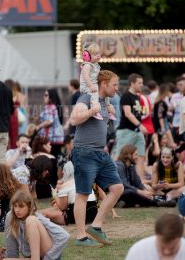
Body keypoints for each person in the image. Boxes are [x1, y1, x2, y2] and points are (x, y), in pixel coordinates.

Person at [70, 70, 124, 247]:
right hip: (84, 152)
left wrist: (108, 111)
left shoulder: (105, 101)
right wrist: (92, 111)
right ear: (104, 84)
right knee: (83, 195)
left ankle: (96, 226)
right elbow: (74, 119)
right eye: (114, 84)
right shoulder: (87, 98)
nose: (117, 88)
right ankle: (80, 237)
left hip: (101, 153)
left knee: (117, 188)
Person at [5, 190, 70, 260]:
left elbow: (64, 236)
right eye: (15, 206)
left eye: (21, 206)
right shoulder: (11, 216)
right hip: (31, 257)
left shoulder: (37, 217)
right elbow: (11, 247)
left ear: (29, 207)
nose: (17, 210)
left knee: (31, 220)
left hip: (49, 256)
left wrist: (48, 258)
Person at [111, 73, 147, 181]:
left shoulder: (137, 96)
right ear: (132, 83)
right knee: (118, 156)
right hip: (126, 131)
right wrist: (140, 125)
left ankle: (141, 181)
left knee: (140, 156)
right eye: (139, 83)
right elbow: (127, 113)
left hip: (136, 131)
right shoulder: (126, 96)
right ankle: (110, 179)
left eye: (142, 83)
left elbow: (137, 113)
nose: (141, 85)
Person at [41, 161, 98, 226]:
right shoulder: (84, 181)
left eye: (64, 170)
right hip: (93, 215)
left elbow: (62, 207)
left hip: (77, 217)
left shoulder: (65, 185)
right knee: (52, 209)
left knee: (42, 214)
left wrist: (54, 194)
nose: (62, 172)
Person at [80, 43, 116, 120]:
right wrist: (90, 86)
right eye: (95, 54)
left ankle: (108, 110)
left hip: (94, 85)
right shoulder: (87, 65)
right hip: (87, 86)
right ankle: (95, 111)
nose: (98, 56)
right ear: (87, 56)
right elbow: (86, 76)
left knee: (106, 95)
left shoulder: (96, 65)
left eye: (99, 53)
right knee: (95, 95)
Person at [36, 89, 64, 158]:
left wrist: (39, 126)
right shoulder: (55, 106)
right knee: (56, 158)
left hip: (51, 139)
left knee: (50, 159)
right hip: (57, 139)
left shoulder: (50, 107)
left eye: (46, 95)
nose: (44, 97)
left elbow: (49, 121)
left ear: (51, 97)